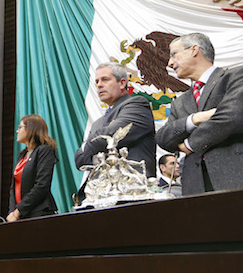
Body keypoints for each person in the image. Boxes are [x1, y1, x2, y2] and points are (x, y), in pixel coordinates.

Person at [155, 33, 243, 195]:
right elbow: (163, 137)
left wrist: (189, 144)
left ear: (194, 50)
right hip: (195, 187)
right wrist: (195, 119)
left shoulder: (236, 76)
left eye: (174, 54)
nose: (170, 63)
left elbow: (233, 116)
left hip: (235, 177)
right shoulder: (179, 102)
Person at [75, 62, 157, 176]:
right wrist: (97, 152)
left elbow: (109, 136)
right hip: (101, 189)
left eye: (105, 79)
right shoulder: (97, 123)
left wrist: (91, 150)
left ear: (122, 83)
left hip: (131, 186)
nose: (99, 85)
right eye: (97, 81)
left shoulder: (137, 105)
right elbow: (79, 160)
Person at [7, 114, 58, 222]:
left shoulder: (44, 151)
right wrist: (12, 212)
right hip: (20, 216)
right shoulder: (22, 155)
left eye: (20, 127)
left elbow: (41, 185)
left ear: (31, 129)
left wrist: (18, 211)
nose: (17, 131)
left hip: (38, 214)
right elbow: (13, 187)